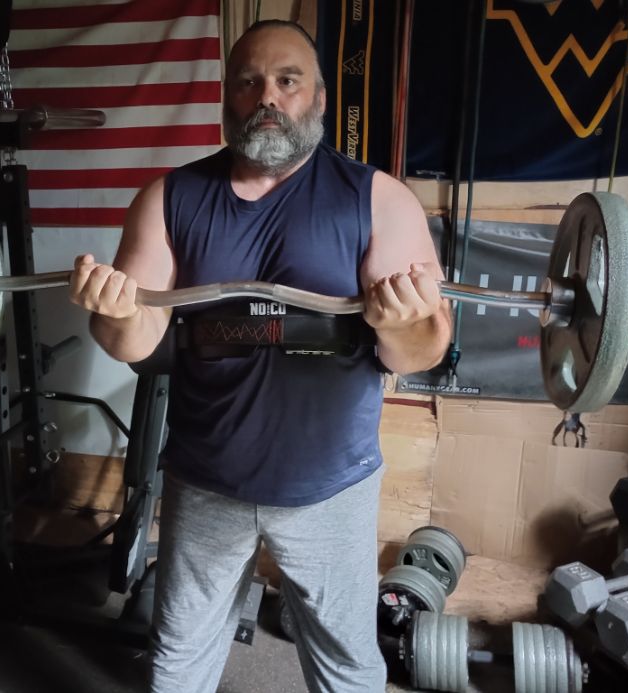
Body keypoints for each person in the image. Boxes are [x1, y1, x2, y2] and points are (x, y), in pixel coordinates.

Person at [69, 19, 452, 693]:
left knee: (347, 663)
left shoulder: (379, 200)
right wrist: (117, 310)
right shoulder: (168, 199)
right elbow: (136, 340)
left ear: (321, 98)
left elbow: (421, 349)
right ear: (227, 98)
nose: (266, 96)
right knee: (180, 655)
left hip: (329, 487)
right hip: (206, 476)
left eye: (286, 80)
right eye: (248, 82)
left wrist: (407, 320)